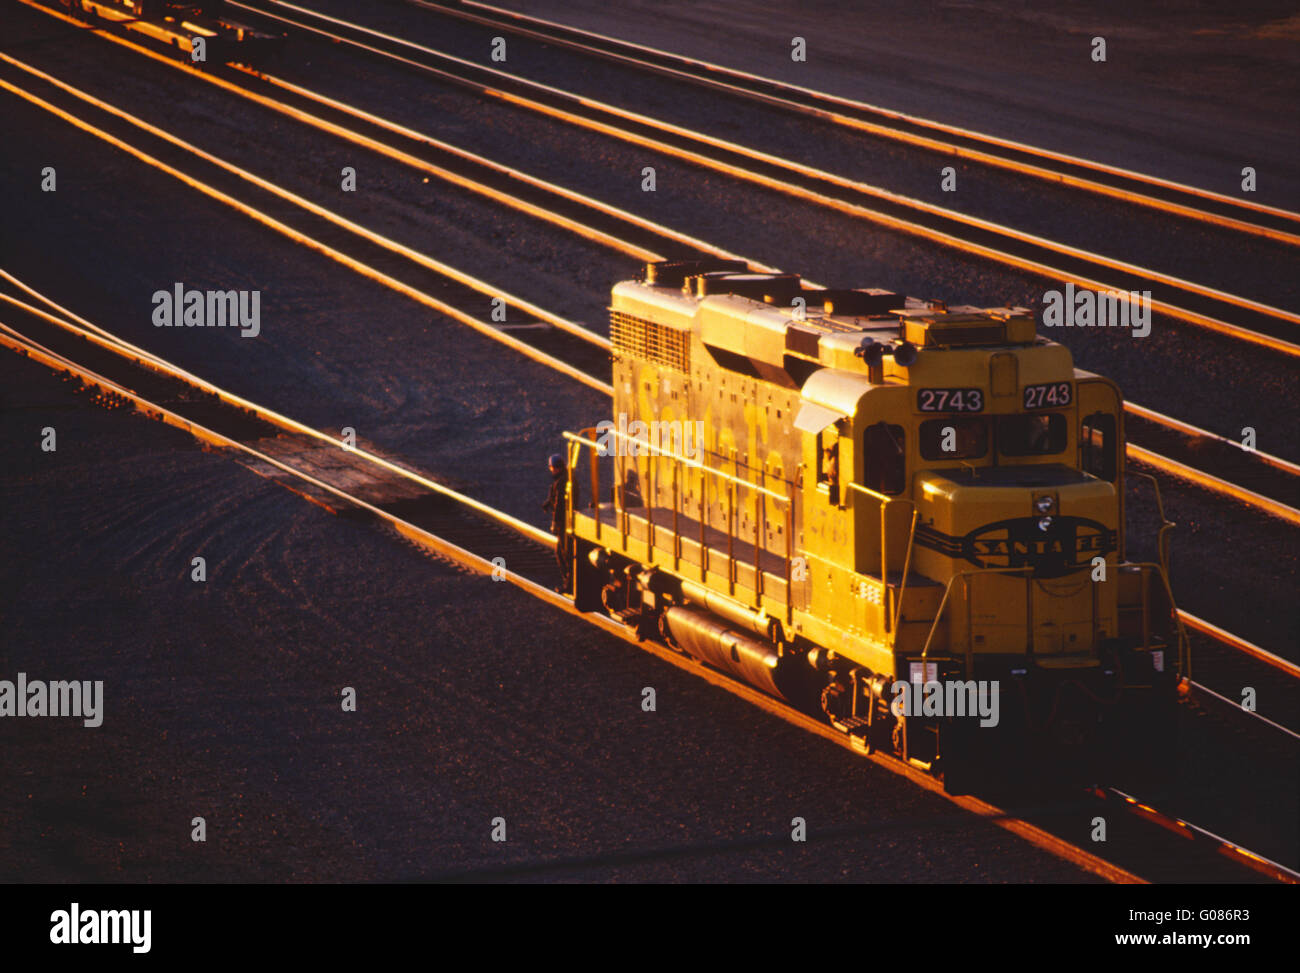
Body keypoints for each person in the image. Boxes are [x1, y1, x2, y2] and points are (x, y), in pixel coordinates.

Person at [542, 453, 578, 593]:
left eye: (551, 468)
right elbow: (556, 499)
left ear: (555, 468)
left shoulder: (562, 482)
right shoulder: (565, 479)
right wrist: (547, 503)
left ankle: (569, 585)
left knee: (564, 553)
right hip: (567, 520)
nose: (551, 470)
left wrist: (555, 524)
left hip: (564, 522)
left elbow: (559, 505)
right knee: (563, 552)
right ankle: (569, 583)